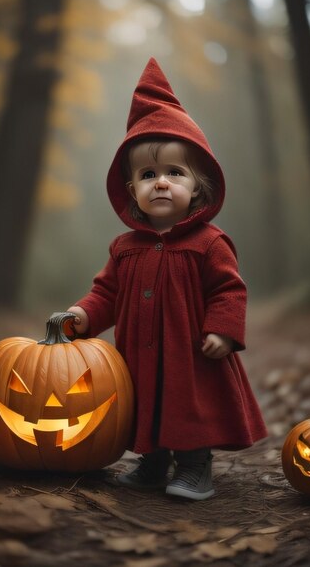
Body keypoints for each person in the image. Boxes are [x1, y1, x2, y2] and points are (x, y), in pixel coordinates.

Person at [68, 58, 267, 500]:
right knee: (144, 404)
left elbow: (229, 290)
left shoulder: (209, 242)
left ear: (197, 185)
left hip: (191, 351)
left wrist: (224, 330)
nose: (161, 183)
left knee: (188, 406)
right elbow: (107, 292)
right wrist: (82, 315)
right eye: (148, 175)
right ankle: (152, 464)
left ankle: (196, 467)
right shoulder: (125, 246)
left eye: (175, 173)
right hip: (139, 351)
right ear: (131, 188)